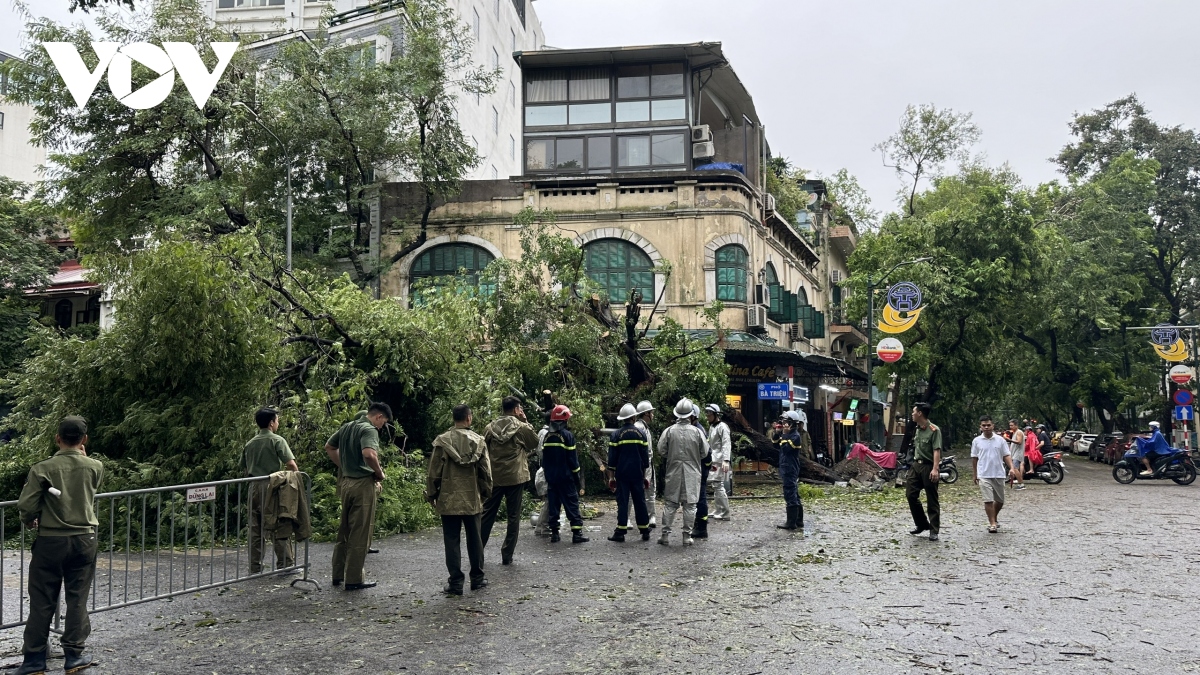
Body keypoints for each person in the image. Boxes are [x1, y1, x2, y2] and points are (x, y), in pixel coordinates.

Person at [16, 416, 104, 675]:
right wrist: (83, 456)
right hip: (85, 539)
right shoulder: (95, 466)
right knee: (77, 599)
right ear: (84, 440)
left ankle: (34, 661)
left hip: (51, 540)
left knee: (42, 600)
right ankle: (74, 656)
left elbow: (26, 505)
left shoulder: (42, 469)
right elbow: (92, 487)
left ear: (57, 438)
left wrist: (29, 520)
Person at [426, 404, 492, 595]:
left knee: (452, 540)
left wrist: (432, 494)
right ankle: (477, 579)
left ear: (453, 419)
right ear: (469, 418)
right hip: (472, 498)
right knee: (475, 539)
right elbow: (486, 472)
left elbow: (433, 473)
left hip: (449, 499)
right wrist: (486, 493)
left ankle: (456, 583)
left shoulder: (442, 441)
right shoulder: (479, 441)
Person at [325, 402, 391, 590]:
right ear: (378, 417)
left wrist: (343, 465)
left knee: (344, 529)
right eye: (383, 422)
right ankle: (354, 579)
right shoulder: (369, 430)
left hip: (346, 482)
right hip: (362, 483)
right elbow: (369, 454)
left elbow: (329, 446)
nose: (382, 427)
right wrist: (379, 473)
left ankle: (337, 574)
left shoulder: (347, 427)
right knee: (360, 532)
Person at [480, 396, 540, 566]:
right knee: (513, 517)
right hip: (516, 478)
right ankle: (507, 555)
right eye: (520, 409)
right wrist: (526, 421)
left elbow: (482, 449)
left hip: (496, 478)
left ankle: (477, 551)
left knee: (487, 515)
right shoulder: (521, 428)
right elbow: (534, 442)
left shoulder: (489, 428)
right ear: (515, 410)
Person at [242, 407, 299, 574]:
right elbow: (290, 464)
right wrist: (297, 481)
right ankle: (286, 564)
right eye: (277, 420)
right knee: (279, 523)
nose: (278, 423)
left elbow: (245, 468)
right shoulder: (277, 440)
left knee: (255, 527)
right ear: (271, 422)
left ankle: (255, 567)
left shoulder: (250, 444)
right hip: (273, 485)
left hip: (253, 486)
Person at [657, 399, 708, 546]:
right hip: (692, 472)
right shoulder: (698, 432)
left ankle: (665, 535)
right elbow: (704, 452)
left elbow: (661, 450)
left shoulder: (669, 431)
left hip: (673, 471)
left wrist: (672, 456)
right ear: (691, 414)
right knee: (690, 505)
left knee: (670, 504)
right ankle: (687, 536)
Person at [542, 405, 589, 544]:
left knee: (553, 505)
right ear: (564, 419)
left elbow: (544, 460)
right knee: (572, 504)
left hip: (551, 478)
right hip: (566, 477)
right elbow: (572, 460)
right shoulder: (567, 436)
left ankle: (555, 534)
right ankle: (577, 534)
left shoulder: (547, 436)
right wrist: (577, 477)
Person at [607, 403, 651, 542]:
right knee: (640, 501)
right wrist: (644, 476)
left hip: (622, 475)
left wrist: (611, 478)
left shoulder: (616, 435)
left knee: (623, 502)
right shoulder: (642, 434)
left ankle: (620, 531)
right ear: (633, 417)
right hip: (637, 474)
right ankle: (645, 530)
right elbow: (645, 458)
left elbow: (612, 460)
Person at [970, 415, 1017, 533]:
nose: (986, 427)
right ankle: (992, 523)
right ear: (980, 427)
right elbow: (974, 458)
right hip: (984, 474)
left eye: (988, 425)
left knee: (1000, 501)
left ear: (993, 426)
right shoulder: (976, 441)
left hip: (998, 473)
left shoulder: (1000, 440)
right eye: (984, 425)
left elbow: (1006, 455)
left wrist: (1011, 468)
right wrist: (975, 474)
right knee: (988, 500)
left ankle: (994, 517)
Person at [906, 402, 943, 541]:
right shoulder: (917, 429)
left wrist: (935, 469)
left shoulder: (934, 430)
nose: (912, 414)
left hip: (928, 466)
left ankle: (934, 530)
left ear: (920, 413)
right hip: (916, 465)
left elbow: (936, 450)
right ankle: (922, 524)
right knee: (910, 494)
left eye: (914, 411)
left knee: (932, 499)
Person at [775, 410, 805, 531]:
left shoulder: (795, 436)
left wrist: (784, 435)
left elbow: (786, 448)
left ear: (792, 423)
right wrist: (778, 433)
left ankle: (791, 522)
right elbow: (775, 444)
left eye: (786, 422)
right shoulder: (786, 434)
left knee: (790, 492)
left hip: (790, 467)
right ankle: (798, 520)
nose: (784, 424)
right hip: (785, 465)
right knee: (794, 492)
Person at [631, 400, 657, 529]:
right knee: (635, 491)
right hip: (640, 464)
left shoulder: (644, 427)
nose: (653, 415)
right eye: (651, 412)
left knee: (650, 490)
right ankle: (629, 518)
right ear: (646, 413)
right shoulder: (639, 427)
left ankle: (651, 515)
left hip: (647, 463)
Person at [690, 403, 714, 539]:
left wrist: (704, 469)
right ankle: (698, 524)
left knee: (700, 498)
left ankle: (701, 527)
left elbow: (706, 453)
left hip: (700, 469)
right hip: (699, 469)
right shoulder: (697, 429)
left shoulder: (698, 431)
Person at [705, 404, 732, 520]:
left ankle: (725, 512)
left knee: (719, 485)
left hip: (720, 460)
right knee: (716, 485)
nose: (707, 416)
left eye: (709, 414)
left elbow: (726, 443)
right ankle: (718, 509)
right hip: (714, 459)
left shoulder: (722, 427)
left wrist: (726, 460)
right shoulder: (712, 427)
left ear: (716, 415)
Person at [1006, 420, 1026, 490]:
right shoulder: (1014, 433)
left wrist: (1009, 440)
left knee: (1014, 468)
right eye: (1010, 425)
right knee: (1014, 468)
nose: (1010, 427)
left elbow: (1019, 442)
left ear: (1016, 425)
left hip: (1018, 453)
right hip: (1014, 453)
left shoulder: (1019, 432)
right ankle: (1020, 482)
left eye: (1012, 425)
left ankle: (1021, 484)